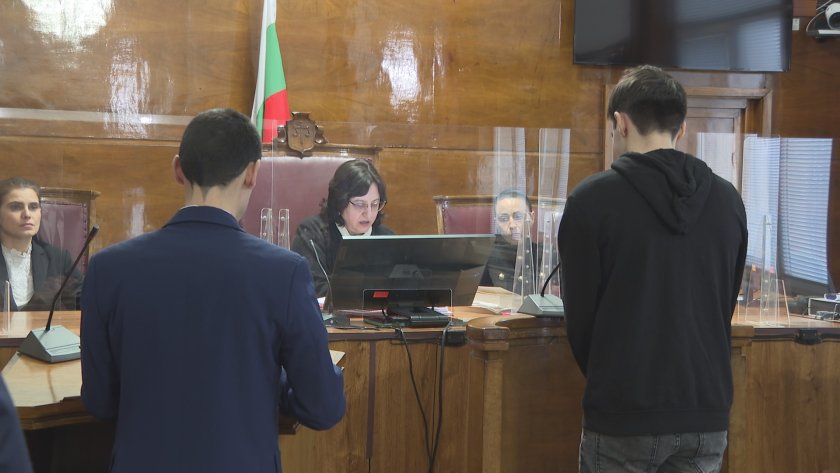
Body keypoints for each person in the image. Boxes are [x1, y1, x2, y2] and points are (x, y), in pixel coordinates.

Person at [80, 108, 345, 473]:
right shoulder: (284, 272)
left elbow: (100, 401)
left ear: (178, 169)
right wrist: (272, 378)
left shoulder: (108, 269)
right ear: (252, 173)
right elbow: (323, 408)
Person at [557, 66, 747, 473]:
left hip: (624, 408)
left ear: (621, 123)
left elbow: (581, 321)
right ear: (681, 128)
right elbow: (724, 304)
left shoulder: (591, 201)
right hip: (705, 411)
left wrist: (614, 373)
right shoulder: (728, 200)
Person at [291, 158, 394, 298]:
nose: (369, 213)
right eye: (360, 204)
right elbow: (311, 287)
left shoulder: (387, 238)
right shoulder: (312, 234)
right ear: (340, 201)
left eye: (375, 204)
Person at [0, 177, 81, 311]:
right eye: (16, 207)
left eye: (33, 207)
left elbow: (88, 303)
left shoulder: (58, 259)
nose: (27, 214)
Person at [480, 189, 539, 292]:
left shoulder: (544, 255)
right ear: (496, 223)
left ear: (532, 218)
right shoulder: (484, 256)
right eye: (503, 219)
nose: (512, 225)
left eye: (518, 217)